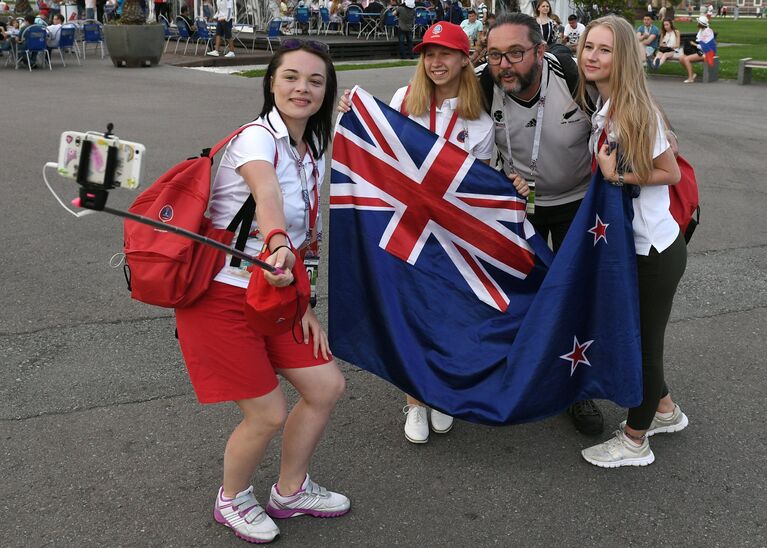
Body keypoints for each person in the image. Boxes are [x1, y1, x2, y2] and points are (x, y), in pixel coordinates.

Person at [175, 40, 348, 544]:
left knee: (325, 386)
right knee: (267, 411)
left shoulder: (310, 149)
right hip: (221, 298)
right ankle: (231, 498)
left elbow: (307, 236)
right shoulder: (256, 139)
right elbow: (267, 196)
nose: (302, 88)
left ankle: (290, 491)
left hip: (277, 295)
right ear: (270, 82)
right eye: (291, 77)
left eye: (315, 81)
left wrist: (306, 302)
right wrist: (274, 244)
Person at [339, 22, 506, 444]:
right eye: (429, 54)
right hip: (404, 227)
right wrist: (354, 117)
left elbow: (478, 185)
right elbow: (378, 154)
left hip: (451, 238)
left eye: (445, 53)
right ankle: (415, 399)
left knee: (449, 314)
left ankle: (443, 395)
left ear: (465, 59)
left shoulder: (481, 123)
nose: (435, 62)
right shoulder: (401, 101)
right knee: (410, 312)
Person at [477, 12, 605, 436]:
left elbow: (628, 110)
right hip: (518, 207)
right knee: (513, 295)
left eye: (516, 52)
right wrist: (360, 109)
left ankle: (576, 387)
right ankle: (514, 373)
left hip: (577, 205)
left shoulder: (571, 77)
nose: (504, 65)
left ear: (540, 50)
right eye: (495, 54)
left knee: (572, 295)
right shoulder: (481, 84)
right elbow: (423, 105)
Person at [577, 15, 687, 468]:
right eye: (588, 47)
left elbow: (670, 172)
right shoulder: (606, 106)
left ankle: (635, 439)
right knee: (641, 336)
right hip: (632, 246)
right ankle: (665, 411)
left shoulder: (635, 110)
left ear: (622, 58)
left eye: (604, 50)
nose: (592, 56)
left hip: (653, 250)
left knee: (643, 344)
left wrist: (615, 174)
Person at [679, 15, 715, 84]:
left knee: (686, 59)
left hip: (707, 53)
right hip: (700, 51)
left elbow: (705, 46)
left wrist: (694, 44)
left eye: (698, 22)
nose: (697, 23)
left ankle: (690, 78)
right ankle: (692, 74)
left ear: (701, 24)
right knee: (681, 58)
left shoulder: (708, 32)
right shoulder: (701, 30)